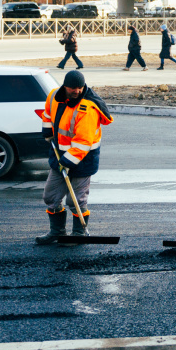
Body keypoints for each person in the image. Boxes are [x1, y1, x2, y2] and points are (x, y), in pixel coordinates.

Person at [35, 70, 113, 244]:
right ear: (65, 86)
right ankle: (57, 232)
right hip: (60, 155)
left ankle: (79, 233)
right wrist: (47, 130)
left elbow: (83, 142)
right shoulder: (54, 96)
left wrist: (68, 161)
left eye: (80, 88)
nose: (77, 91)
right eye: (73, 88)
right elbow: (47, 114)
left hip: (82, 159)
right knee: (51, 196)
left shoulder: (87, 109)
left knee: (75, 200)